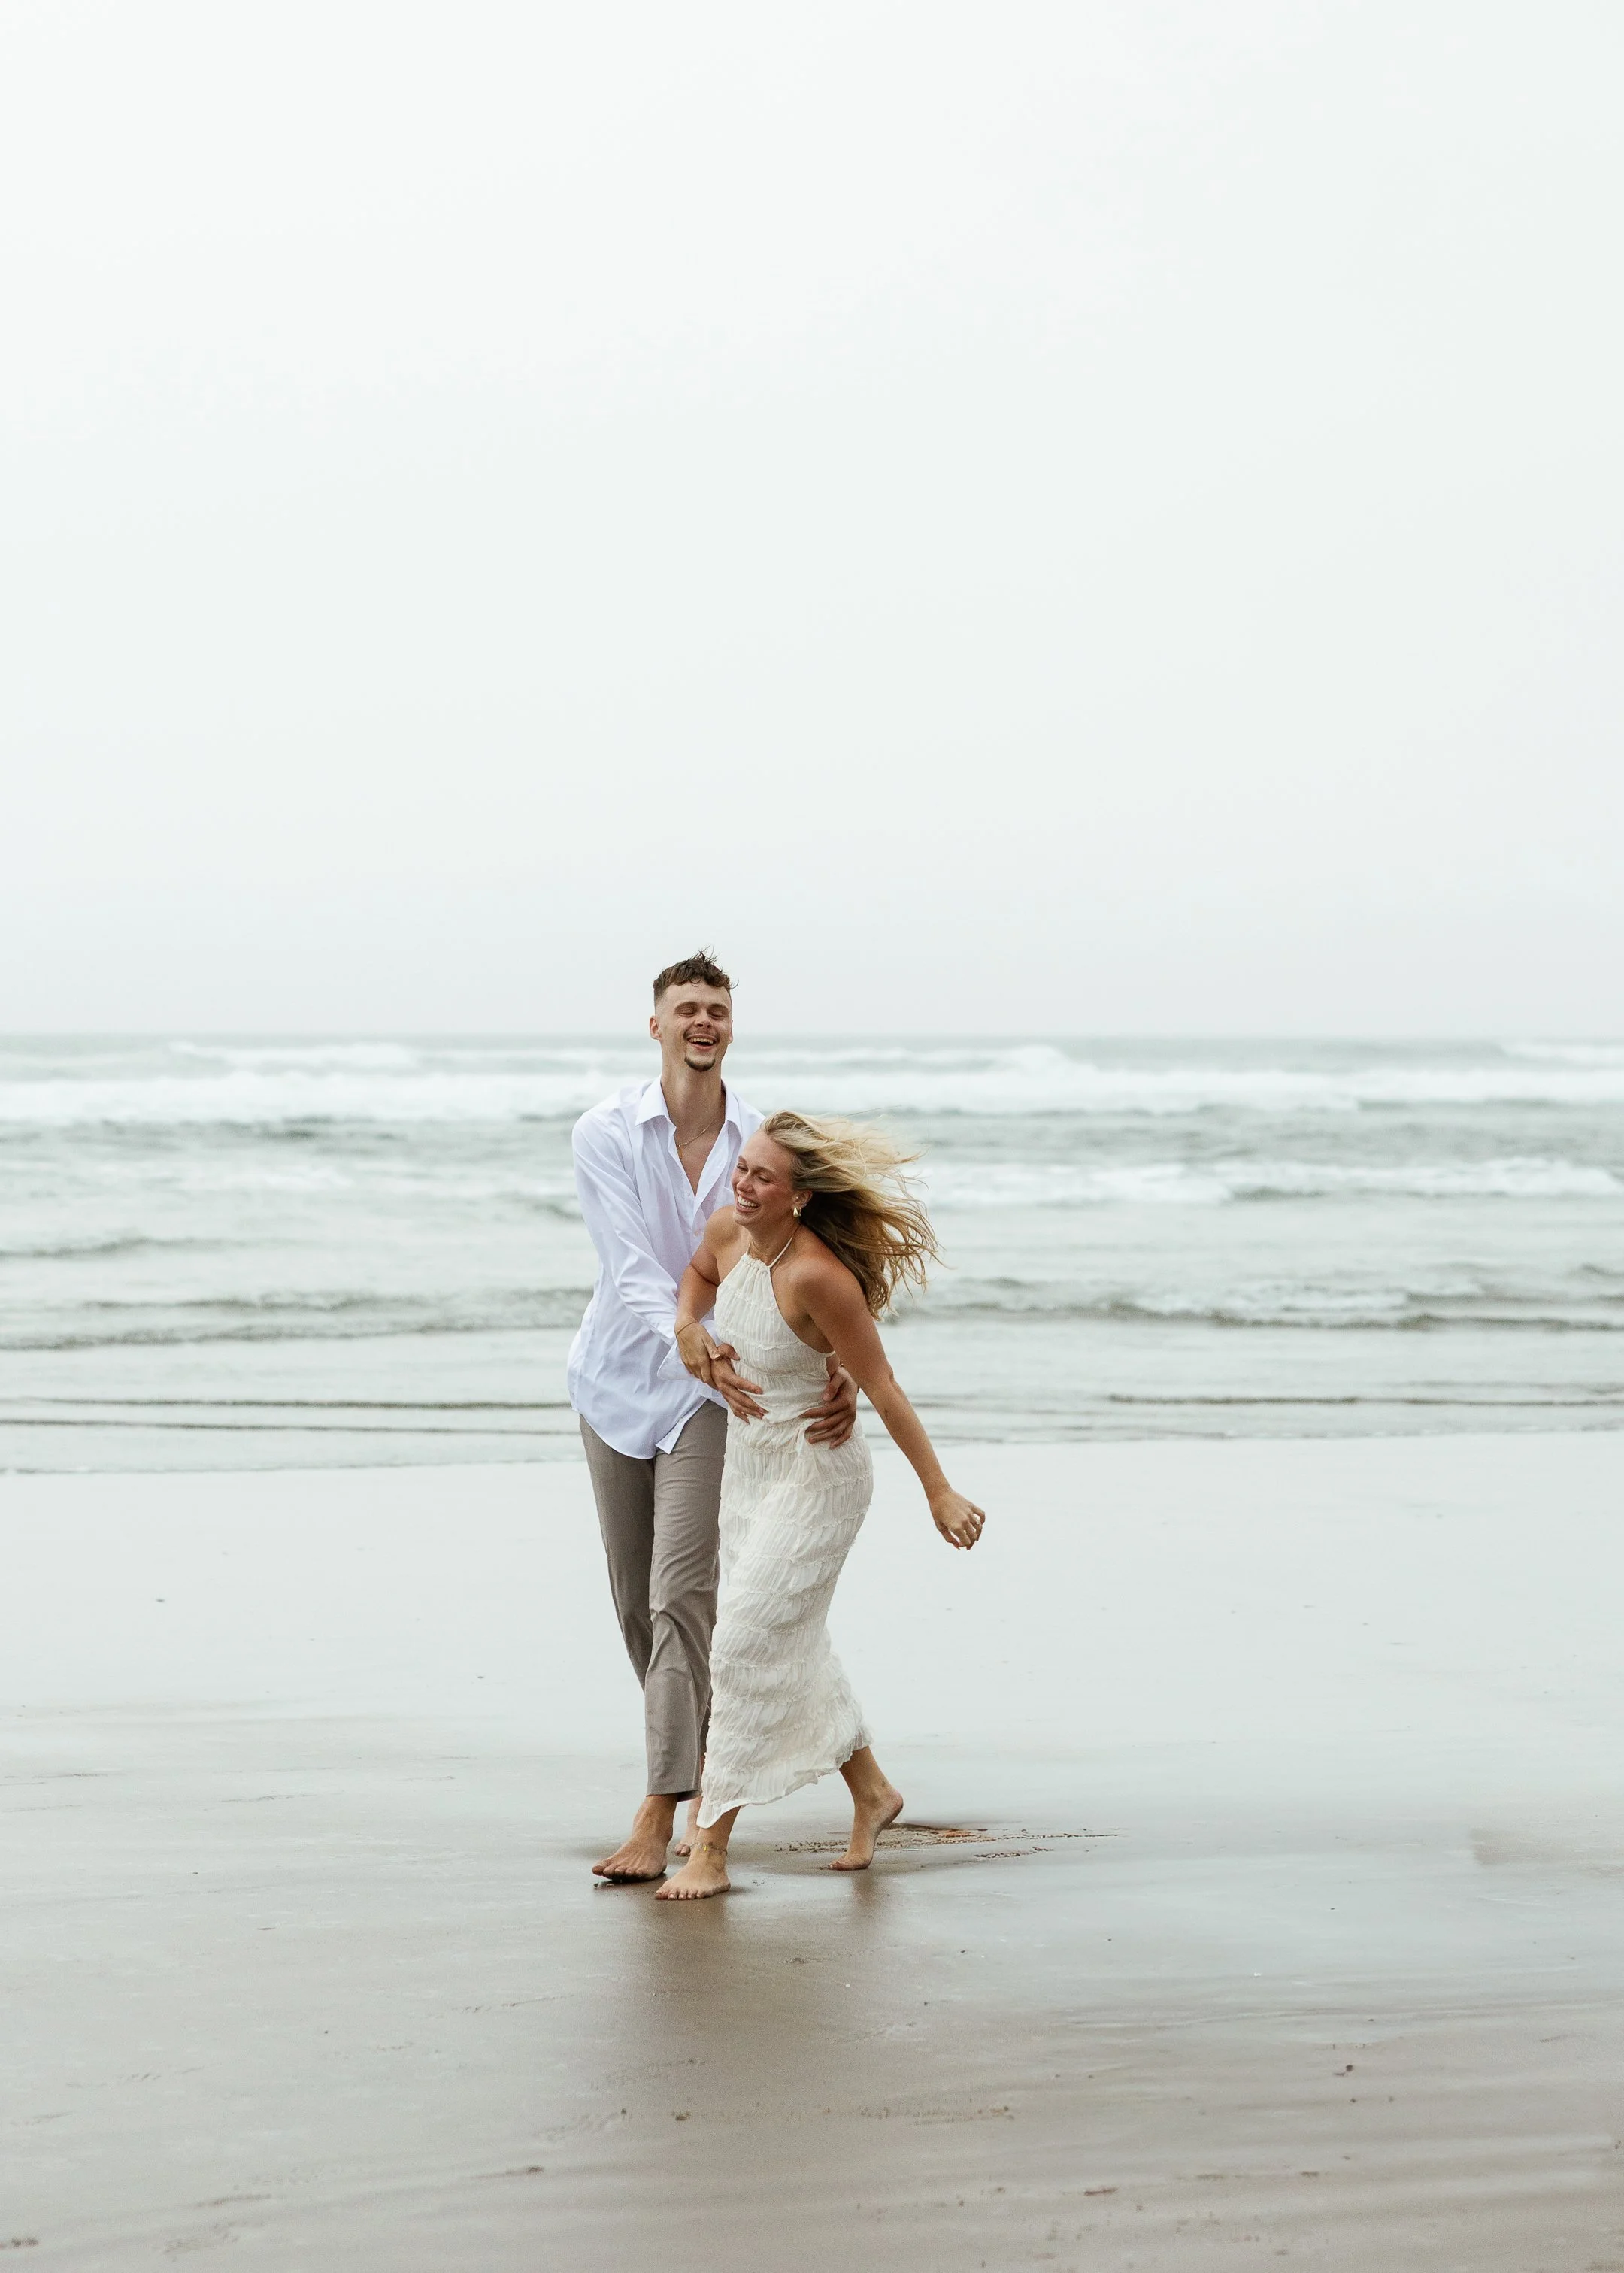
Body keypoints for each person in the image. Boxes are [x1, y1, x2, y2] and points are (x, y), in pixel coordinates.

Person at [568, 953, 859, 1884]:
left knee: (681, 1596)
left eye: (718, 1009)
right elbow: (630, 1265)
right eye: (686, 1008)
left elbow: (818, 1251)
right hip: (617, 1382)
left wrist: (842, 1363)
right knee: (636, 1607)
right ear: (654, 1024)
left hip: (719, 1392)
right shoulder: (605, 1131)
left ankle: (667, 1813)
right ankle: (722, 1769)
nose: (703, 1021)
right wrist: (681, 1328)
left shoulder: (764, 1138)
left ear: (732, 1026)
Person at [654, 1111, 986, 1901]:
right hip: (750, 1471)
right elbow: (698, 1274)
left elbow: (883, 1385)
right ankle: (874, 1792)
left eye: (763, 1175)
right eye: (743, 1166)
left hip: (819, 1477)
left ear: (800, 1198)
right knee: (787, 1638)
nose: (743, 1181)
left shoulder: (817, 1275)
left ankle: (709, 1843)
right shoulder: (730, 1229)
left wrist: (938, 1488)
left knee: (737, 1641)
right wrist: (686, 1328)